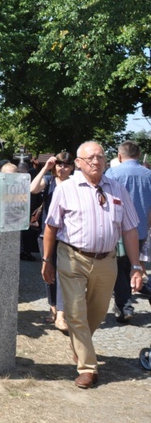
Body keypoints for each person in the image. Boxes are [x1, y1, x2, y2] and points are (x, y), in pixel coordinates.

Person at [42, 141, 143, 389]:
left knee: (97, 313)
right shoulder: (66, 189)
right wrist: (46, 260)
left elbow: (129, 229)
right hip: (72, 256)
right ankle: (88, 367)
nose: (96, 162)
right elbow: (51, 226)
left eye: (100, 157)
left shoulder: (118, 189)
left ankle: (79, 344)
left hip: (106, 259)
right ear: (78, 162)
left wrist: (136, 265)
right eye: (90, 158)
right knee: (75, 313)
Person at [105, 140, 151, 323]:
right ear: (138, 155)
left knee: (119, 269)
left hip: (119, 230)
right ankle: (125, 303)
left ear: (119, 156)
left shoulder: (113, 173)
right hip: (140, 230)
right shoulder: (149, 174)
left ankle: (124, 306)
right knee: (134, 266)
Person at [30, 152, 74, 333]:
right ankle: (53, 307)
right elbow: (32, 189)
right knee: (48, 272)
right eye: (59, 165)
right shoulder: (48, 181)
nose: (62, 168)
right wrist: (45, 168)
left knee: (64, 273)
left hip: (68, 235)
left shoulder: (75, 184)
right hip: (46, 234)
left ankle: (62, 314)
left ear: (72, 167)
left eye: (66, 165)